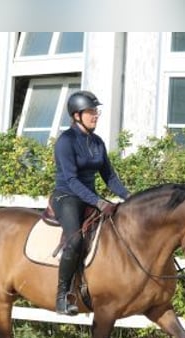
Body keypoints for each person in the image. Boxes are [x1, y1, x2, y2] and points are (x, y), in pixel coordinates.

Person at [51, 90, 130, 316]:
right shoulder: (66, 142)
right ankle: (62, 296)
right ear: (77, 115)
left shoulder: (97, 142)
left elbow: (110, 177)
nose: (96, 115)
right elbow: (71, 180)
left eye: (96, 111)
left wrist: (130, 197)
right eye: (91, 112)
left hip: (88, 197)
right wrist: (98, 201)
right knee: (75, 240)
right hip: (66, 196)